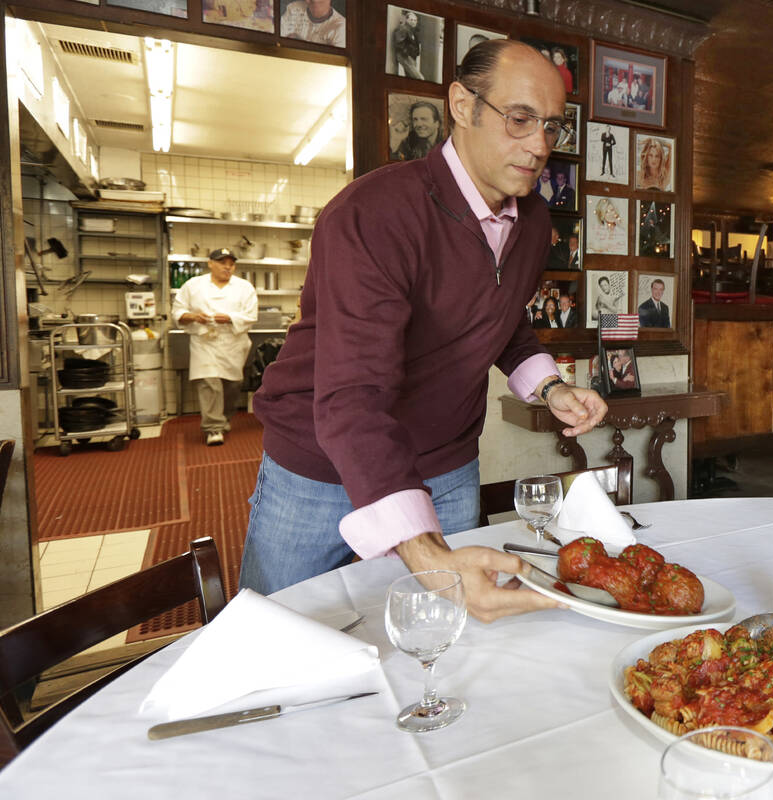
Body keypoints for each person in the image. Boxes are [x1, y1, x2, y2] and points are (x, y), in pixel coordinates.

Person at [241, 40, 607, 622]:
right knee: (278, 646)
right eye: (519, 119)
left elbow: (501, 315)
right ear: (462, 104)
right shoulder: (373, 214)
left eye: (551, 127)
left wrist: (550, 387)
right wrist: (427, 552)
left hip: (446, 465)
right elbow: (352, 398)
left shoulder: (533, 219)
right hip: (319, 467)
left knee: (445, 643)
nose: (538, 147)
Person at [171, 247, 258, 447]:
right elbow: (178, 311)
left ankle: (224, 419)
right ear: (210, 263)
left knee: (232, 386)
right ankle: (213, 428)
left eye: (231, 264)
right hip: (205, 342)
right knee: (209, 383)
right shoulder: (193, 285)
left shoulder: (245, 288)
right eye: (222, 263)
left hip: (233, 343)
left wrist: (230, 318)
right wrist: (193, 316)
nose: (227, 267)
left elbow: (251, 317)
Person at [280, 0, 346, 48]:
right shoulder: (294, 8)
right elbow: (278, 41)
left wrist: (298, 43)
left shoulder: (341, 27)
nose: (307, 1)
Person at [392, 9, 422, 79]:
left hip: (412, 57)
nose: (413, 22)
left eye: (415, 20)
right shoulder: (403, 28)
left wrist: (416, 53)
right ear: (407, 20)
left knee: (410, 78)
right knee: (419, 78)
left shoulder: (412, 30)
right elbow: (399, 43)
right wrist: (406, 54)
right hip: (406, 57)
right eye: (411, 20)